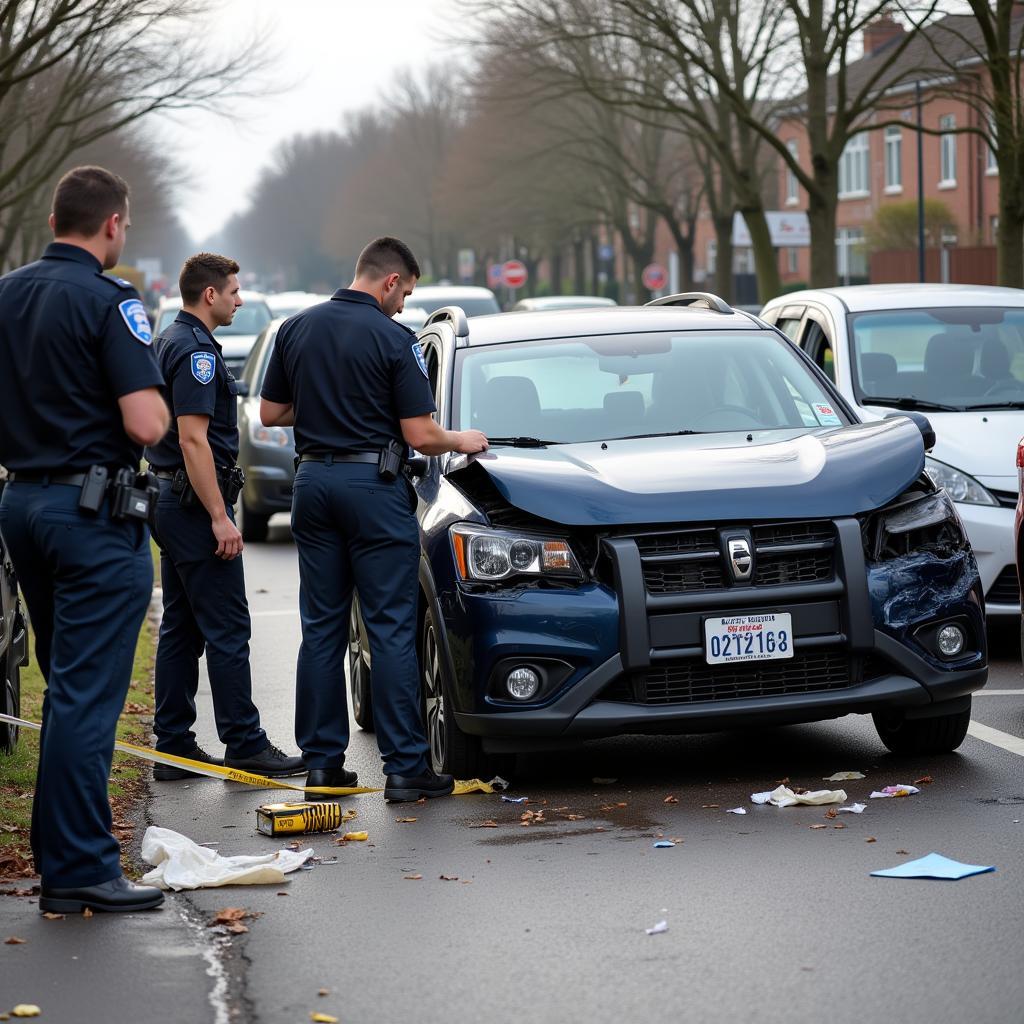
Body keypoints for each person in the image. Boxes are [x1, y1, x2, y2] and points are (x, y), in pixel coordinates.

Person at [259, 236, 488, 802]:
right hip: (372, 486)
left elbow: (271, 411)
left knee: (321, 629)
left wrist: (324, 400)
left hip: (312, 484)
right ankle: (406, 769)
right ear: (389, 281)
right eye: (405, 292)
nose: (406, 304)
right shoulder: (394, 338)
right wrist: (465, 438)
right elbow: (420, 435)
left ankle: (321, 765)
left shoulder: (295, 329)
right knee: (389, 627)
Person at [0, 166, 169, 913]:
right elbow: (145, 423)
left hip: (23, 503)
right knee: (83, 696)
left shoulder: (7, 293)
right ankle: (79, 870)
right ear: (111, 225)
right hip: (92, 514)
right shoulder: (110, 299)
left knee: (67, 683)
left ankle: (63, 863)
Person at [145, 254, 304, 780]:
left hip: (172, 499)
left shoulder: (170, 338)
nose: (239, 299)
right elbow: (193, 438)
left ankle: (173, 745)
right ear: (208, 295)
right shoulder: (196, 352)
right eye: (233, 291)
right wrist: (219, 515)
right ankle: (244, 741)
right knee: (229, 628)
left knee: (183, 627)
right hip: (193, 504)